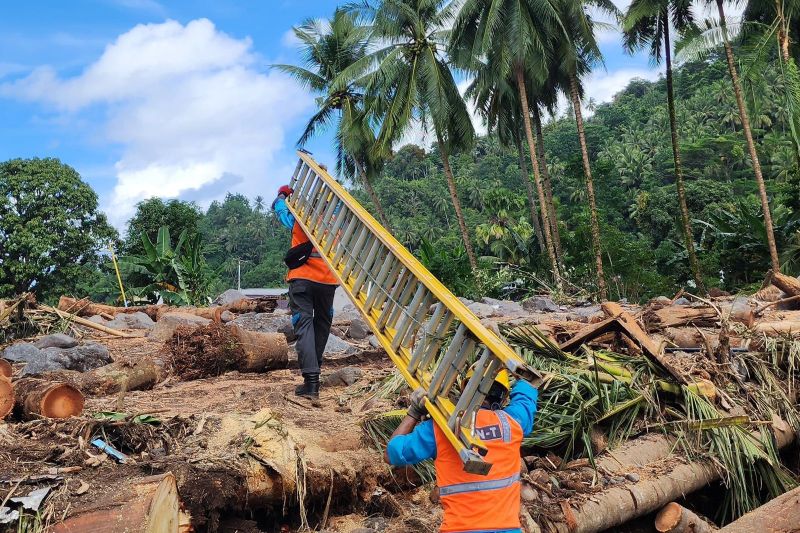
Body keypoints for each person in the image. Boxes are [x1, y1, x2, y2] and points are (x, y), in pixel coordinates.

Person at [385, 369, 538, 533]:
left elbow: (391, 454)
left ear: (465, 389)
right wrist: (523, 380)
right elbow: (526, 398)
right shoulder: (513, 423)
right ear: (502, 397)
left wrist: (414, 412)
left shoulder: (441, 429)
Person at [272, 184, 339, 399]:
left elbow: (281, 211)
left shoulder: (301, 216)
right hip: (328, 280)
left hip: (302, 279)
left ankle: (311, 383)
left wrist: (282, 195)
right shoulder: (335, 220)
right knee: (322, 323)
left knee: (303, 324)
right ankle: (314, 372)